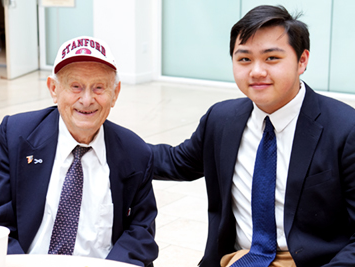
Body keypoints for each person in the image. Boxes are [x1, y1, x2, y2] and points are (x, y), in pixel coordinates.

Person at [150, 5, 355, 267]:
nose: (256, 71)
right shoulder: (222, 119)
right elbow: (174, 161)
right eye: (244, 59)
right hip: (239, 258)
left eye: (271, 58)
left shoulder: (345, 129)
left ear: (302, 60)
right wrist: (101, 136)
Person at [0, 36, 158, 267]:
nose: (87, 99)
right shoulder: (15, 135)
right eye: (75, 86)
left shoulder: (135, 153)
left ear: (115, 93)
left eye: (99, 87)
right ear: (54, 89)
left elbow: (141, 232)